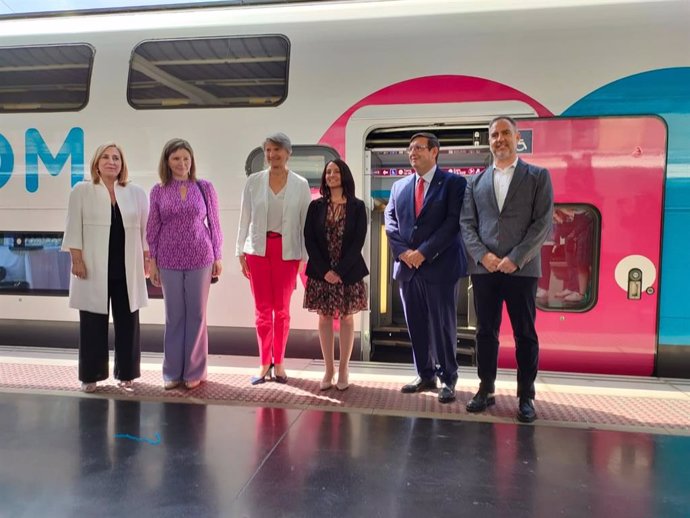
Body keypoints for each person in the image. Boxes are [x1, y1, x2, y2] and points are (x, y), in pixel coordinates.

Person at [460, 116, 554, 423]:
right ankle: (486, 389)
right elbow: (467, 224)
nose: (499, 139)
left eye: (505, 134)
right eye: (493, 135)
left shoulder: (538, 176)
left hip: (521, 270)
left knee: (525, 333)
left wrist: (516, 257)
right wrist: (481, 256)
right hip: (485, 270)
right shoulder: (474, 181)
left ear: (517, 138)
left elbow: (542, 223)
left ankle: (526, 396)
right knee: (485, 332)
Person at [384, 132, 467, 404]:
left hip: (440, 267)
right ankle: (425, 374)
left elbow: (453, 223)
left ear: (435, 152)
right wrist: (404, 253)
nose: (412, 153)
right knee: (416, 324)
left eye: (418, 148)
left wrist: (424, 252)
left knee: (443, 325)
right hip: (408, 269)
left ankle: (448, 379)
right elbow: (391, 221)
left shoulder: (454, 183)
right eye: (409, 149)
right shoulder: (399, 187)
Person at [62, 143, 149, 393]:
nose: (112, 161)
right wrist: (76, 259)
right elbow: (73, 227)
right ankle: (90, 375)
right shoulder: (82, 190)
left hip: (126, 268)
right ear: (96, 163)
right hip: (93, 267)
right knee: (91, 322)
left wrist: (147, 260)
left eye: (116, 158)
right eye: (106, 157)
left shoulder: (135, 192)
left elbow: (145, 232)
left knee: (129, 321)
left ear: (122, 164)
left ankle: (127, 373)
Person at [147, 138, 223, 390]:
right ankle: (171, 373)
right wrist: (153, 261)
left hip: (200, 257)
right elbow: (153, 228)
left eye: (186, 158)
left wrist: (218, 255)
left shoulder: (204, 187)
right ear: (167, 162)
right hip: (168, 259)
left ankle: (194, 371)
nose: (182, 163)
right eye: (176, 158)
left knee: (197, 315)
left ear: (192, 161)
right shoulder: (158, 190)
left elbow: (214, 222)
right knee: (174, 316)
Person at [236, 133, 311, 385]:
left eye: (277, 150)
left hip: (287, 253)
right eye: (268, 150)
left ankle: (279, 362)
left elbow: (304, 224)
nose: (272, 155)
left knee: (282, 311)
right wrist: (240, 251)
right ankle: (263, 362)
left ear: (288, 153)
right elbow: (244, 218)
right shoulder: (253, 182)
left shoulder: (300, 184)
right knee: (262, 310)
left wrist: (304, 257)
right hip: (257, 252)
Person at [304, 159, 369, 391]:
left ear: (344, 175)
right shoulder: (316, 207)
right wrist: (325, 271)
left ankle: (344, 369)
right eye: (328, 172)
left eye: (336, 171)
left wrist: (339, 271)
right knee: (323, 318)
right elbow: (309, 240)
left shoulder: (358, 207)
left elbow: (357, 243)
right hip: (321, 273)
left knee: (346, 318)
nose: (331, 175)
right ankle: (328, 369)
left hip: (348, 272)